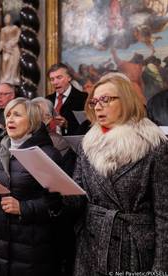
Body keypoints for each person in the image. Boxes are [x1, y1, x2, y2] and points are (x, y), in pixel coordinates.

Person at [72, 74, 168, 274]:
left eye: (106, 99)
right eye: (95, 101)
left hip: (134, 249)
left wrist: (160, 267)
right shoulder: (88, 144)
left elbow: (163, 214)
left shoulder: (153, 145)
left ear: (125, 100)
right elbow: (77, 197)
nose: (98, 106)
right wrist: (54, 190)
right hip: (91, 245)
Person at [0, 97, 65, 276]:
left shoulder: (47, 154)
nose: (9, 119)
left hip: (31, 247)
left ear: (32, 121)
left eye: (17, 115)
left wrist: (23, 208)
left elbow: (61, 203)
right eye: (8, 115)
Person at [46, 63, 89, 136]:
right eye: (52, 79)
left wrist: (67, 125)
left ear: (69, 78)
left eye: (59, 77)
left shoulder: (83, 98)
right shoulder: (47, 99)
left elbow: (87, 127)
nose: (55, 82)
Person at [0, 13, 21, 85]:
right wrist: (0, 48)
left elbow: (18, 35)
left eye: (8, 18)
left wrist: (15, 41)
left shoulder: (15, 28)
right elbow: (2, 40)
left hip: (14, 47)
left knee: (15, 62)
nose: (7, 19)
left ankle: (13, 77)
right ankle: (6, 77)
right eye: (5, 18)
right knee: (5, 60)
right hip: (6, 48)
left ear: (10, 19)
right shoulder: (3, 30)